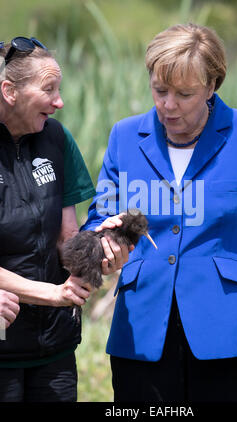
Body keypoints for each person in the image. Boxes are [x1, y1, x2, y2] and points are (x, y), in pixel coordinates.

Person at [81, 24, 237, 402]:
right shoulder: (124, 136)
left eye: (184, 94)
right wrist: (103, 242)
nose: (168, 105)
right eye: (160, 90)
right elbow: (100, 216)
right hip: (141, 332)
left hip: (229, 333)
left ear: (212, 86)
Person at [0, 37, 96, 402]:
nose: (60, 102)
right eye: (49, 90)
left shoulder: (55, 137)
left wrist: (100, 248)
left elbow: (66, 236)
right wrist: (54, 294)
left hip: (54, 348)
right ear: (10, 91)